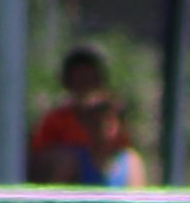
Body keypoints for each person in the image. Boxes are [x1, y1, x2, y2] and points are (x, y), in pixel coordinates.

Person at [68, 97, 180, 203]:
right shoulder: (78, 159)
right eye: (97, 122)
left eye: (110, 121)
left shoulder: (130, 159)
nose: (104, 126)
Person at [33, 45, 127, 181]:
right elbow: (39, 157)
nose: (84, 85)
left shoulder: (112, 116)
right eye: (79, 79)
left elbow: (123, 155)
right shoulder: (55, 120)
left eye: (89, 79)